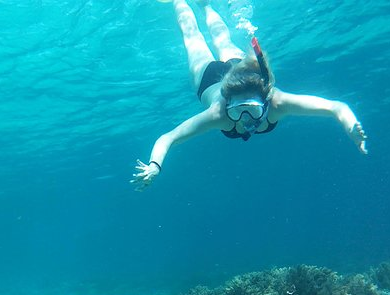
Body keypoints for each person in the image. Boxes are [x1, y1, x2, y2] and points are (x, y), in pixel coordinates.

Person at [133, 0, 368, 189]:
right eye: (238, 110)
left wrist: (350, 126)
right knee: (192, 37)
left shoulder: (278, 102)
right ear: (228, 104)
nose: (246, 118)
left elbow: (337, 108)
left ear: (266, 102)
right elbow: (169, 137)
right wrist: (155, 165)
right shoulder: (219, 113)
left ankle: (205, 5)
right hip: (209, 77)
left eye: (252, 110)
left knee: (220, 37)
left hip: (238, 70)